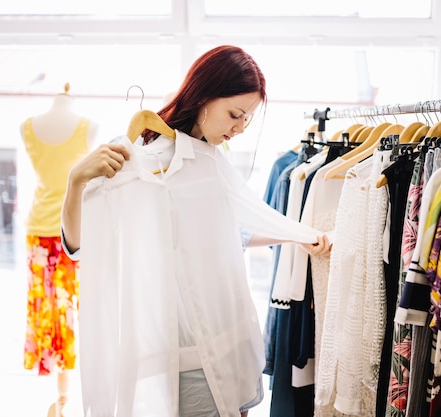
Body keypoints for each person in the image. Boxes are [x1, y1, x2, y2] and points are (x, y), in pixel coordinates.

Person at [61, 45, 331, 417]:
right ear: (204, 96)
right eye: (235, 114)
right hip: (172, 357)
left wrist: (300, 236)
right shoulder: (124, 168)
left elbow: (236, 231)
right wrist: (76, 182)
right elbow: (80, 248)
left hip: (228, 343)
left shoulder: (209, 163)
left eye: (247, 119)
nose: (239, 128)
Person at [20, 85, 98, 415]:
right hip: (44, 229)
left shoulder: (87, 128)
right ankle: (61, 391)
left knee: (69, 310)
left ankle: (68, 392)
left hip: (71, 231)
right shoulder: (27, 127)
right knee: (49, 310)